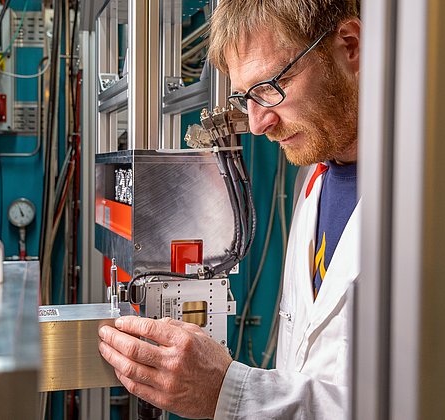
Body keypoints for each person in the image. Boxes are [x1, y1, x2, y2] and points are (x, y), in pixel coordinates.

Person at [98, 0, 361, 418]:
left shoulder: (442, 209)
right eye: (245, 97)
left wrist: (230, 392)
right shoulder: (313, 181)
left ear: (350, 46)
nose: (257, 123)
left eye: (270, 87)